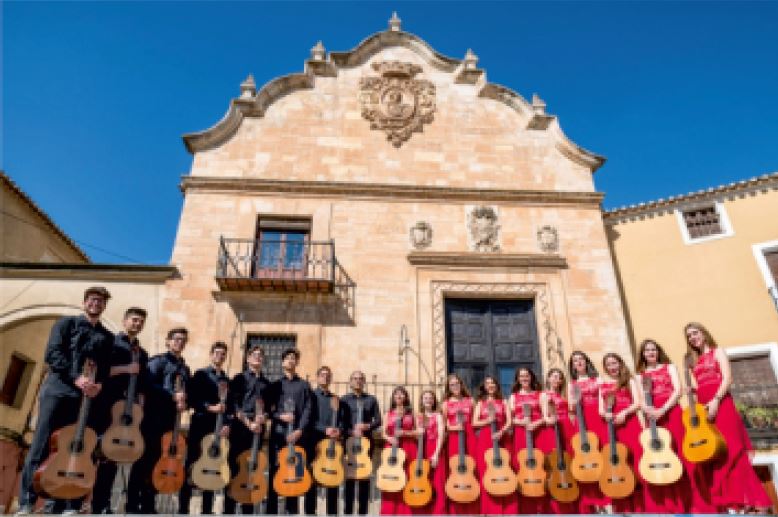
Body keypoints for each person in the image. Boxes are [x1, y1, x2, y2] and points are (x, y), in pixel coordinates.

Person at [16, 286, 114, 516]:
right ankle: (26, 502)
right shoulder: (66, 324)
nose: (96, 304)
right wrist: (76, 378)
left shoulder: (107, 336)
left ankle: (62, 504)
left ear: (104, 306)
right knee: (41, 445)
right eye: (92, 300)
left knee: (72, 448)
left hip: (83, 399)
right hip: (57, 391)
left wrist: (99, 384)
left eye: (100, 301)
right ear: (84, 302)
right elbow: (53, 354)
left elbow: (105, 367)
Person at [685, 322, 772, 513]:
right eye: (689, 336)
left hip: (722, 404)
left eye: (695, 333)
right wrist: (692, 390)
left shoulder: (718, 352)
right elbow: (702, 385)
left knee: (733, 451)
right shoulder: (696, 361)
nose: (692, 338)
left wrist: (716, 400)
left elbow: (727, 379)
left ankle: (752, 502)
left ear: (704, 333)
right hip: (705, 409)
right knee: (716, 454)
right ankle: (731, 504)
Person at [126, 327, 191, 514]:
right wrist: (172, 396)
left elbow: (187, 394)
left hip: (172, 422)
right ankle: (132, 505)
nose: (180, 342)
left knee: (159, 462)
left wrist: (184, 402)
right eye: (177, 339)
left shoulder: (184, 369)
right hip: (152, 418)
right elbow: (148, 385)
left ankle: (148, 504)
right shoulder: (158, 361)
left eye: (183, 340)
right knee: (143, 461)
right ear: (168, 341)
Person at [91, 307, 150, 514]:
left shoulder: (142, 353)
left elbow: (142, 384)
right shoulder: (111, 343)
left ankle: (102, 504)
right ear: (125, 321)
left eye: (141, 321)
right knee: (95, 454)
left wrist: (140, 407)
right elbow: (99, 371)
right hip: (106, 403)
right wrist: (127, 368)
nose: (137, 324)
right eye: (134, 320)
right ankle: (75, 502)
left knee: (113, 456)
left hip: (127, 410)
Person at [636, 338, 700, 512]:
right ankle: (671, 505)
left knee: (681, 455)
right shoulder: (639, 376)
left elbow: (677, 390)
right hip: (654, 420)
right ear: (642, 354)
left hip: (672, 414)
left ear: (658, 351)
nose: (651, 353)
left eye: (654, 349)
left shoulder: (669, 367)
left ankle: (691, 505)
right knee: (661, 457)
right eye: (647, 350)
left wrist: (662, 409)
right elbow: (640, 400)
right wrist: (647, 409)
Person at [178, 342, 232, 514]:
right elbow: (192, 399)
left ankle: (207, 511)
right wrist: (210, 407)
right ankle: (183, 509)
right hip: (200, 426)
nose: (220, 356)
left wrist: (227, 425)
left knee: (212, 466)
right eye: (217, 353)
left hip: (216, 431)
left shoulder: (226, 380)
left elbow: (230, 408)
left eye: (223, 354)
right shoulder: (201, 375)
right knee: (192, 465)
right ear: (211, 355)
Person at [225, 343, 271, 514]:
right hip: (241, 428)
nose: (258, 357)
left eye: (260, 355)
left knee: (253, 468)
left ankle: (248, 508)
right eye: (255, 355)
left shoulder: (267, 383)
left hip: (258, 430)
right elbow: (234, 406)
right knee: (235, 467)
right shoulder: (239, 379)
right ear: (248, 358)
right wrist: (248, 423)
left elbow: (270, 409)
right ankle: (229, 510)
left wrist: (263, 418)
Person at [266, 348, 313, 515]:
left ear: (297, 362)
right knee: (275, 472)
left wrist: (300, 430)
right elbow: (268, 410)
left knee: (295, 476)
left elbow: (308, 409)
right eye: (288, 358)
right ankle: (271, 513)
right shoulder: (274, 385)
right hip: (279, 436)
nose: (291, 361)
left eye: (294, 358)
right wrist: (280, 416)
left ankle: (292, 513)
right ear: (282, 362)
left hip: (298, 438)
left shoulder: (304, 385)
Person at [599, 352, 644, 513]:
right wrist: (606, 414)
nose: (612, 367)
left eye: (614, 363)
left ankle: (640, 508)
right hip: (611, 428)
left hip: (629, 424)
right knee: (616, 464)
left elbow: (638, 402)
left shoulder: (629, 380)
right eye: (609, 365)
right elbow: (600, 409)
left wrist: (624, 413)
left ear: (620, 363)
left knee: (634, 461)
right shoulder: (603, 385)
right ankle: (622, 506)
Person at [568, 350, 609, 513]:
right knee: (585, 456)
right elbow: (570, 407)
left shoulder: (597, 379)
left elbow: (604, 398)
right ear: (572, 366)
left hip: (597, 418)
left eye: (581, 359)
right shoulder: (572, 384)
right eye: (575, 361)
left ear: (586, 362)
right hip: (582, 419)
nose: (578, 362)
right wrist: (574, 402)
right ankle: (592, 500)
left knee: (601, 453)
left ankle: (606, 497)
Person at [304, 366, 345, 516]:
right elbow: (307, 420)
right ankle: (310, 513)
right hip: (314, 443)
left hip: (332, 444)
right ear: (317, 377)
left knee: (333, 479)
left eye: (328, 375)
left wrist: (339, 429)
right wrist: (324, 429)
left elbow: (342, 420)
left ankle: (332, 513)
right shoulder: (310, 396)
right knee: (312, 480)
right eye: (322, 375)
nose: (325, 378)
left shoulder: (336, 399)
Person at [473, 375, 516, 514]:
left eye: (492, 383)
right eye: (487, 383)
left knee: (506, 469)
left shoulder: (503, 401)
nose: (490, 385)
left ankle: (507, 509)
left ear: (496, 385)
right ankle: (489, 509)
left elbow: (510, 421)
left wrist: (502, 431)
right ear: (484, 387)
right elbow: (474, 423)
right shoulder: (480, 403)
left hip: (502, 439)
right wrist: (488, 421)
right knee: (486, 471)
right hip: (486, 439)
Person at [341, 371, 381, 515]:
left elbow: (378, 420)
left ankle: (363, 513)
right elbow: (340, 423)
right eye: (355, 379)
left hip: (366, 445)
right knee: (349, 481)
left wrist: (367, 426)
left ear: (364, 382)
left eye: (360, 379)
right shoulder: (344, 400)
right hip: (349, 444)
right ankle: (348, 513)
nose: (358, 381)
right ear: (350, 382)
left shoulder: (371, 399)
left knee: (364, 481)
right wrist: (351, 432)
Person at [538, 367, 577, 514]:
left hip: (566, 427)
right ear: (548, 379)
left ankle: (571, 500)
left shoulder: (562, 395)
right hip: (553, 429)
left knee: (569, 462)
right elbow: (545, 416)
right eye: (553, 377)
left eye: (559, 377)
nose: (556, 380)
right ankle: (557, 506)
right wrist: (550, 419)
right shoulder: (544, 395)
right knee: (555, 463)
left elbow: (571, 410)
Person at [440, 373, 479, 514]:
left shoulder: (470, 401)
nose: (455, 386)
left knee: (473, 469)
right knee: (456, 469)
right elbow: (443, 426)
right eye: (452, 385)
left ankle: (473, 505)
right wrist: (453, 427)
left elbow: (476, 422)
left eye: (457, 383)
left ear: (461, 385)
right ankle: (456, 507)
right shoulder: (445, 404)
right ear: (448, 388)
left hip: (470, 438)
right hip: (454, 440)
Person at [510, 367, 546, 513]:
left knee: (541, 466)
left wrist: (535, 423)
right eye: (521, 376)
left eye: (527, 375)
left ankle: (543, 507)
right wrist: (522, 423)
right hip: (521, 434)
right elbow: (510, 419)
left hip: (538, 433)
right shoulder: (514, 397)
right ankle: (526, 508)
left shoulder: (540, 395)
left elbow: (546, 416)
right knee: (523, 466)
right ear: (518, 379)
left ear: (531, 377)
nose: (524, 378)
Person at [379, 386, 416, 515]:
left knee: (406, 478)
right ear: (393, 398)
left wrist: (405, 433)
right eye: (396, 394)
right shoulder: (387, 414)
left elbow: (418, 433)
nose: (399, 397)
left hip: (408, 448)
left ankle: (405, 512)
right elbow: (383, 433)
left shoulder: (411, 414)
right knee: (390, 479)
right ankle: (389, 511)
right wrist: (389, 438)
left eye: (402, 394)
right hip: (391, 448)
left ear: (406, 398)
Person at [412, 389, 446, 515]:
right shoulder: (418, 416)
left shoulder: (438, 415)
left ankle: (438, 512)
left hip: (435, 449)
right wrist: (417, 433)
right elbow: (415, 434)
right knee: (423, 479)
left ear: (433, 401)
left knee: (437, 481)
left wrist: (436, 454)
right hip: (421, 450)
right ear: (421, 400)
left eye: (430, 398)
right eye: (425, 397)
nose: (428, 400)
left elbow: (441, 435)